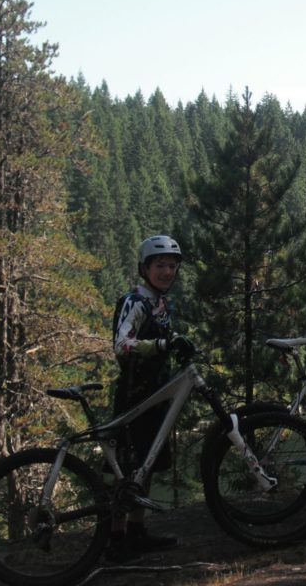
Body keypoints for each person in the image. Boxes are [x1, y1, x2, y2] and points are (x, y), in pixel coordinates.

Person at [107, 234, 195, 559]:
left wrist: (177, 344)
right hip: (133, 398)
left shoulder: (159, 303)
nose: (167, 271)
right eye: (160, 265)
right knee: (126, 471)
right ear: (145, 268)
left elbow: (163, 338)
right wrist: (160, 346)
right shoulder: (134, 301)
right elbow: (121, 345)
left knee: (144, 468)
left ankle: (137, 530)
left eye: (172, 266)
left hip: (155, 397)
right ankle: (116, 540)